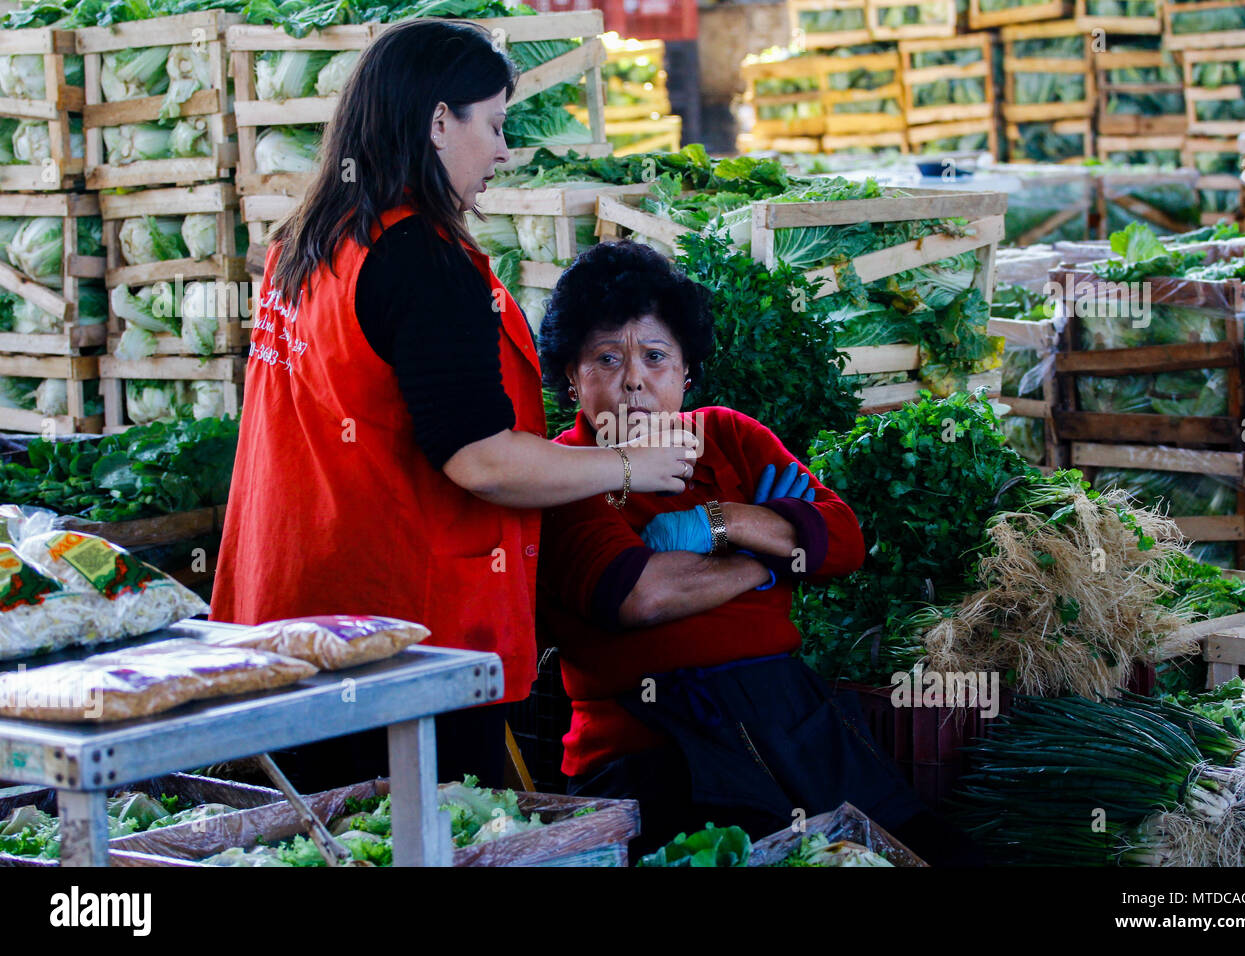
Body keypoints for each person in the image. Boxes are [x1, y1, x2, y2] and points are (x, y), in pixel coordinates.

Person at [209, 20, 696, 793]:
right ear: (440, 121)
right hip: (399, 645)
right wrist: (631, 461)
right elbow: (481, 458)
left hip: (289, 615)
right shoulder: (424, 261)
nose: (503, 151)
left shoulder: (305, 239)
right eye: (494, 123)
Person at [537, 241, 982, 864]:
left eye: (656, 356)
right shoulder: (561, 472)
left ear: (686, 372)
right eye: (607, 358)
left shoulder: (729, 437)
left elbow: (845, 541)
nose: (634, 379)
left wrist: (721, 520)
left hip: (790, 718)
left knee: (933, 854)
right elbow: (640, 594)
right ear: (570, 375)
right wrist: (768, 556)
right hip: (652, 746)